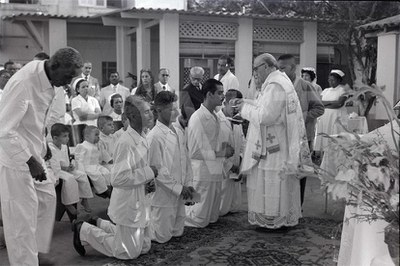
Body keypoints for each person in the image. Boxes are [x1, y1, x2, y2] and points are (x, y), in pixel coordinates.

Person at [0, 47, 83, 265]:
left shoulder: (48, 75)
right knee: (21, 221)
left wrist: (43, 148)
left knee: (47, 197)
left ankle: (34, 252)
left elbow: (36, 118)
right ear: (54, 66)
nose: (67, 83)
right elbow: (4, 130)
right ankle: (24, 261)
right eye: (67, 77)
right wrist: (30, 161)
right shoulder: (23, 84)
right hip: (14, 160)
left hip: (35, 153)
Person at [72, 96, 157, 259]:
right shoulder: (126, 142)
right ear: (132, 117)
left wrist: (148, 181)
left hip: (141, 199)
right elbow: (118, 179)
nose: (151, 115)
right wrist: (149, 172)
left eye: (150, 111)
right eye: (146, 112)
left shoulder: (142, 136)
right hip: (128, 203)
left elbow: (141, 168)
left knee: (144, 247)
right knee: (126, 252)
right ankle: (84, 230)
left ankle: (99, 223)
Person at [236, 53, 311, 229]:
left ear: (268, 67)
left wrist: (244, 109)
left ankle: (272, 220)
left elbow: (265, 116)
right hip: (276, 142)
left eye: (256, 68)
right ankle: (273, 218)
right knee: (271, 182)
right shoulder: (277, 82)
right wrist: (246, 101)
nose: (254, 72)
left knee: (271, 182)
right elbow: (264, 105)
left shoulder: (275, 86)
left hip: (273, 147)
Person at [185, 79, 234, 228]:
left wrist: (225, 154)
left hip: (215, 170)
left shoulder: (215, 115)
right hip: (202, 172)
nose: (223, 97)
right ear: (208, 94)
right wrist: (221, 153)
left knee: (212, 218)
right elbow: (194, 152)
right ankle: (175, 213)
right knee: (199, 219)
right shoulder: (198, 118)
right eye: (219, 93)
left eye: (223, 93)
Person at [277, 54, 324, 206]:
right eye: (278, 68)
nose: (280, 71)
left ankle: (299, 206)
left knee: (300, 171)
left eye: (283, 68)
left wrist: (300, 117)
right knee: (284, 170)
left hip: (302, 136)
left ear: (293, 68)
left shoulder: (305, 85)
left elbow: (319, 108)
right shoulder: (278, 85)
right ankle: (285, 205)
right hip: (283, 136)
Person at [148, 91, 194, 243]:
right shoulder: (155, 136)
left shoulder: (179, 131)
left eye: (177, 108)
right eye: (172, 109)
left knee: (177, 233)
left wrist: (188, 185)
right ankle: (119, 229)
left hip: (179, 191)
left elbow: (185, 160)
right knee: (161, 237)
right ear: (159, 111)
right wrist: (178, 188)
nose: (177, 112)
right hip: (164, 194)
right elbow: (158, 170)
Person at [48, 123, 93, 215]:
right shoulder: (51, 148)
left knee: (82, 175)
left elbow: (66, 160)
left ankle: (84, 199)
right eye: (64, 136)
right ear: (55, 138)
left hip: (65, 169)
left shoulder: (64, 146)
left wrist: (70, 166)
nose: (67, 138)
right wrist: (66, 168)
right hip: (55, 170)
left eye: (68, 136)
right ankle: (68, 204)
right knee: (69, 179)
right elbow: (55, 165)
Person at [218, 89, 245, 216]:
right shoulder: (217, 121)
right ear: (226, 102)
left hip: (236, 169)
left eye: (239, 107)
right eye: (234, 106)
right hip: (223, 171)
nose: (236, 110)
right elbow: (216, 149)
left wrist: (240, 162)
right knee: (220, 210)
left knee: (234, 207)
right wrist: (230, 166)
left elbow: (243, 144)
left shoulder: (237, 122)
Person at [314, 69, 348, 153]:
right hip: (325, 118)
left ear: (339, 80)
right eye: (329, 80)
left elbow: (339, 104)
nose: (330, 82)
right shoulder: (326, 91)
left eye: (333, 80)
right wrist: (331, 102)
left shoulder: (343, 90)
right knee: (325, 135)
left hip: (336, 117)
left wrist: (326, 104)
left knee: (335, 135)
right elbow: (319, 102)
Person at [74, 126, 111, 198]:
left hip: (97, 165)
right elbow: (79, 159)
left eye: (98, 135)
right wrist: (81, 170)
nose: (98, 137)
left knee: (106, 172)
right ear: (87, 136)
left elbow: (103, 153)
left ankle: (107, 188)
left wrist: (109, 160)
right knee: (97, 176)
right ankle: (102, 191)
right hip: (88, 166)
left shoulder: (97, 144)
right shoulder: (82, 146)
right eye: (96, 135)